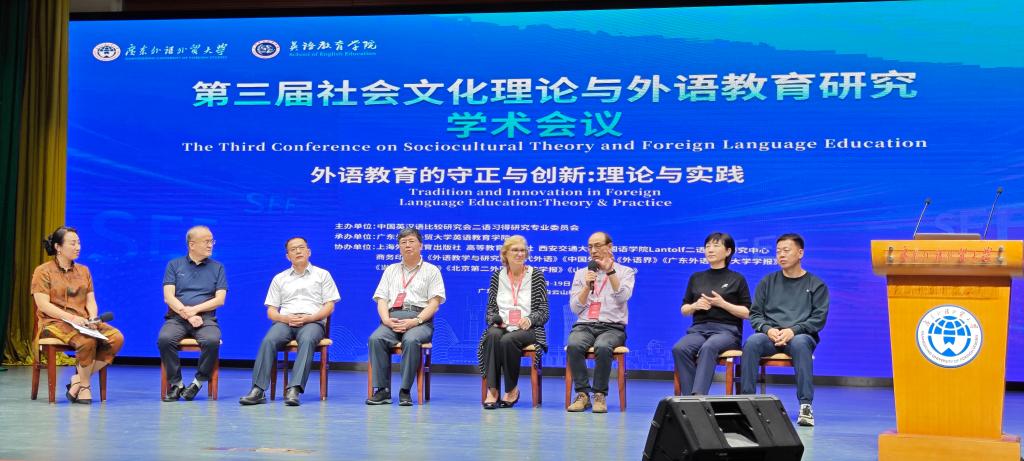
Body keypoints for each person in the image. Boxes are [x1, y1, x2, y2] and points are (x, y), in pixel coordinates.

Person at [740, 233, 829, 426]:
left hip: (800, 336)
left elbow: (818, 319)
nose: (781, 255)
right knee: (752, 342)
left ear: (800, 253)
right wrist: (767, 329)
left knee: (800, 343)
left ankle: (805, 405)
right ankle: (747, 402)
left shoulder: (816, 284)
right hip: (770, 336)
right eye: (778, 251)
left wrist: (794, 330)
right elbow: (755, 314)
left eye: (786, 250)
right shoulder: (767, 282)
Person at [239, 237, 339, 406]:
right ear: (287, 256)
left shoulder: (323, 275)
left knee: (307, 339)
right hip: (285, 321)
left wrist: (310, 318)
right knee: (269, 340)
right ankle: (258, 390)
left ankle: (294, 389)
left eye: (301, 248)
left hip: (312, 322)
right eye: (293, 249)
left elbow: (329, 306)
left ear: (309, 252)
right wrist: (285, 318)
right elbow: (271, 311)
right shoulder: (279, 278)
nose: (298, 251)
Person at [31, 226, 124, 404]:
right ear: (58, 247)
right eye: (72, 243)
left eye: (79, 243)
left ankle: (77, 380)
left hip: (83, 322)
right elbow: (43, 305)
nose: (78, 247)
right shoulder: (43, 271)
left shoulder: (84, 270)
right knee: (87, 341)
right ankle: (85, 386)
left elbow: (91, 301)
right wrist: (72, 318)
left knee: (116, 338)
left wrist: (93, 318)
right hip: (54, 322)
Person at [366, 227, 445, 406]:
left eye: (411, 241)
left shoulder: (432, 270)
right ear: (399, 247)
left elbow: (434, 303)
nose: (407, 245)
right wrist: (386, 320)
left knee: (411, 340)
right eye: (403, 242)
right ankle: (383, 390)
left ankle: (405, 390)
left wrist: (415, 321)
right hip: (392, 318)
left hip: (420, 320)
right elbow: (381, 299)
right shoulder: (390, 270)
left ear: (420, 245)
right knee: (376, 339)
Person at [672, 232, 751, 396]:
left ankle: (698, 395)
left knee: (709, 347)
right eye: (707, 246)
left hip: (727, 331)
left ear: (728, 251)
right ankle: (689, 397)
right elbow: (684, 309)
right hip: (699, 330)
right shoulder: (696, 277)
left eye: (716, 246)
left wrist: (723, 304)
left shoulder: (737, 279)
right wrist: (695, 305)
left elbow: (747, 313)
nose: (710, 250)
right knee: (680, 348)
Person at [476, 235, 549, 409]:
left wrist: (530, 319)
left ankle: (511, 389)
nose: (519, 254)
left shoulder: (536, 276)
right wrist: (495, 320)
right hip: (503, 326)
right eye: (515, 250)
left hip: (529, 329)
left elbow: (544, 311)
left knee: (508, 340)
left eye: (523, 250)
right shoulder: (497, 276)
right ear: (505, 254)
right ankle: (493, 390)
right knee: (492, 335)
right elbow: (490, 309)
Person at [566, 231, 636, 413]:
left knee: (603, 346)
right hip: (585, 325)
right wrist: (586, 287)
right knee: (574, 344)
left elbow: (623, 297)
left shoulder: (625, 272)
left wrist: (610, 272)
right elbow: (575, 308)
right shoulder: (581, 273)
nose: (593, 250)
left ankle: (599, 395)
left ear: (609, 247)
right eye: (590, 247)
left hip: (612, 327)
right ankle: (582, 394)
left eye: (597, 246)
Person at [157, 225, 227, 402]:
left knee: (212, 340)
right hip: (177, 318)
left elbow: (220, 300)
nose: (210, 245)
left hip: (205, 319)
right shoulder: (174, 265)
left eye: (212, 241)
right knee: (165, 339)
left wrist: (195, 310)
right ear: (192, 244)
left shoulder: (218, 267)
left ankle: (197, 382)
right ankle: (177, 384)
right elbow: (168, 297)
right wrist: (188, 315)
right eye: (206, 241)